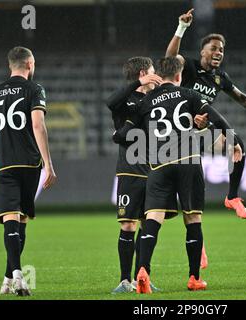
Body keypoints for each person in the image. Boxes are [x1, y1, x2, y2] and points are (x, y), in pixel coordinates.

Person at [113, 57, 243, 293]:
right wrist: (233, 140)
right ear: (180, 76)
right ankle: (194, 278)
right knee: (192, 219)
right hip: (187, 160)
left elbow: (123, 134)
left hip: (158, 165)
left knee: (152, 218)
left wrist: (124, 136)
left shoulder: (146, 101)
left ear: (159, 75)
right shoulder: (188, 95)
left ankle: (142, 270)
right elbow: (215, 117)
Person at [165, 9, 246, 219]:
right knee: (190, 192)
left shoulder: (220, 77)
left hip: (200, 130)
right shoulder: (189, 66)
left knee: (236, 144)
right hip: (177, 132)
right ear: (203, 52)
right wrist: (181, 28)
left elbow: (241, 97)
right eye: (214, 48)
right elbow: (170, 58)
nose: (219, 52)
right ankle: (193, 241)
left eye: (221, 49)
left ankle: (232, 197)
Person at [0, 46, 56, 296]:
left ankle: (10, 274)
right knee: (21, 219)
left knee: (11, 218)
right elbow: (38, 125)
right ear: (30, 64)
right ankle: (14, 276)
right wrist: (48, 164)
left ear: (9, 66)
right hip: (29, 164)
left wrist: (1, 146)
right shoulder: (34, 89)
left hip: (3, 163)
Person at [106, 56, 163, 293]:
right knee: (128, 224)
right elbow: (110, 102)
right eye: (152, 72)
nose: (155, 75)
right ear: (142, 73)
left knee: (147, 224)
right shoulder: (125, 99)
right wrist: (138, 83)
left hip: (154, 168)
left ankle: (143, 278)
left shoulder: (156, 100)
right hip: (130, 169)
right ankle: (124, 280)